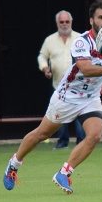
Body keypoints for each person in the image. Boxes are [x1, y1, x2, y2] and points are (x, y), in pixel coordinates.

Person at [3, 0, 102, 195]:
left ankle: (64, 172)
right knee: (42, 134)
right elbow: (86, 69)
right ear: (91, 20)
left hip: (91, 98)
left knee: (94, 135)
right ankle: (14, 163)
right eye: (100, 17)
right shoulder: (82, 41)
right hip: (67, 96)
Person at [37, 10, 85, 150]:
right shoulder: (49, 40)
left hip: (78, 85)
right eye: (61, 22)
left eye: (67, 22)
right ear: (57, 23)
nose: (64, 24)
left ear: (71, 22)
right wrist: (45, 67)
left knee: (79, 114)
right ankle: (62, 142)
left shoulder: (80, 38)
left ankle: (81, 143)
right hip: (59, 85)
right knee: (59, 114)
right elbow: (42, 56)